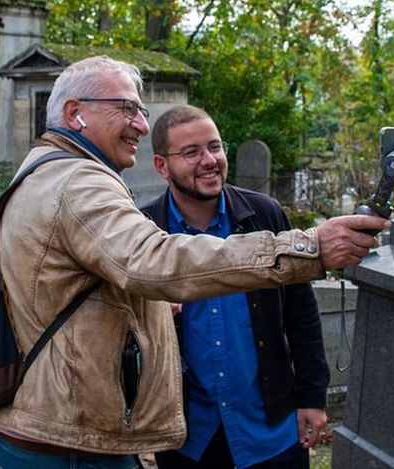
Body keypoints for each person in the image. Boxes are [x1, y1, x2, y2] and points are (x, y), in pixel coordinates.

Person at [0, 56, 388, 468]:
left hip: (59, 428)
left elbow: (81, 288)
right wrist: (310, 247)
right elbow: (153, 261)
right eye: (127, 108)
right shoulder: (79, 181)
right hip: (69, 445)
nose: (141, 124)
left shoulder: (43, 170)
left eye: (141, 111)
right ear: (76, 113)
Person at [141, 105, 329, 469]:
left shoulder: (266, 215)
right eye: (192, 152)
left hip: (270, 430)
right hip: (189, 436)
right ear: (162, 166)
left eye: (215, 147)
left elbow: (301, 312)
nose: (210, 160)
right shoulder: (146, 228)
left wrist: (312, 396)